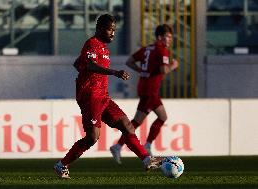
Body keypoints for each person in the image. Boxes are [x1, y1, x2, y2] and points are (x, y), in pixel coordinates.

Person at [54, 14, 163, 179]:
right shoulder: (92, 43)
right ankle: (62, 165)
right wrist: (114, 72)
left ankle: (147, 159)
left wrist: (84, 71)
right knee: (92, 137)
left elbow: (79, 63)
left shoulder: (104, 48)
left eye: (114, 30)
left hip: (103, 96)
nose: (113, 33)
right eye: (110, 29)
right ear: (99, 29)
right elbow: (89, 64)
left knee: (127, 125)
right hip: (91, 96)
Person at [110, 24, 178, 164]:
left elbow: (129, 61)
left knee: (138, 121)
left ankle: (118, 146)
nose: (170, 40)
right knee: (160, 117)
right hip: (151, 90)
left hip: (144, 87)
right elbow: (164, 70)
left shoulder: (147, 48)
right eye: (168, 37)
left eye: (171, 37)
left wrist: (141, 71)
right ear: (160, 37)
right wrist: (174, 66)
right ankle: (145, 144)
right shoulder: (162, 50)